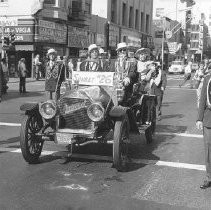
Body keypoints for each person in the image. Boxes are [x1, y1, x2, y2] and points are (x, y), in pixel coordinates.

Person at [196, 73, 211, 189]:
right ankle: (209, 177)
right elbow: (202, 100)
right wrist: (199, 119)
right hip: (209, 119)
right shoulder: (207, 78)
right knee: (209, 151)